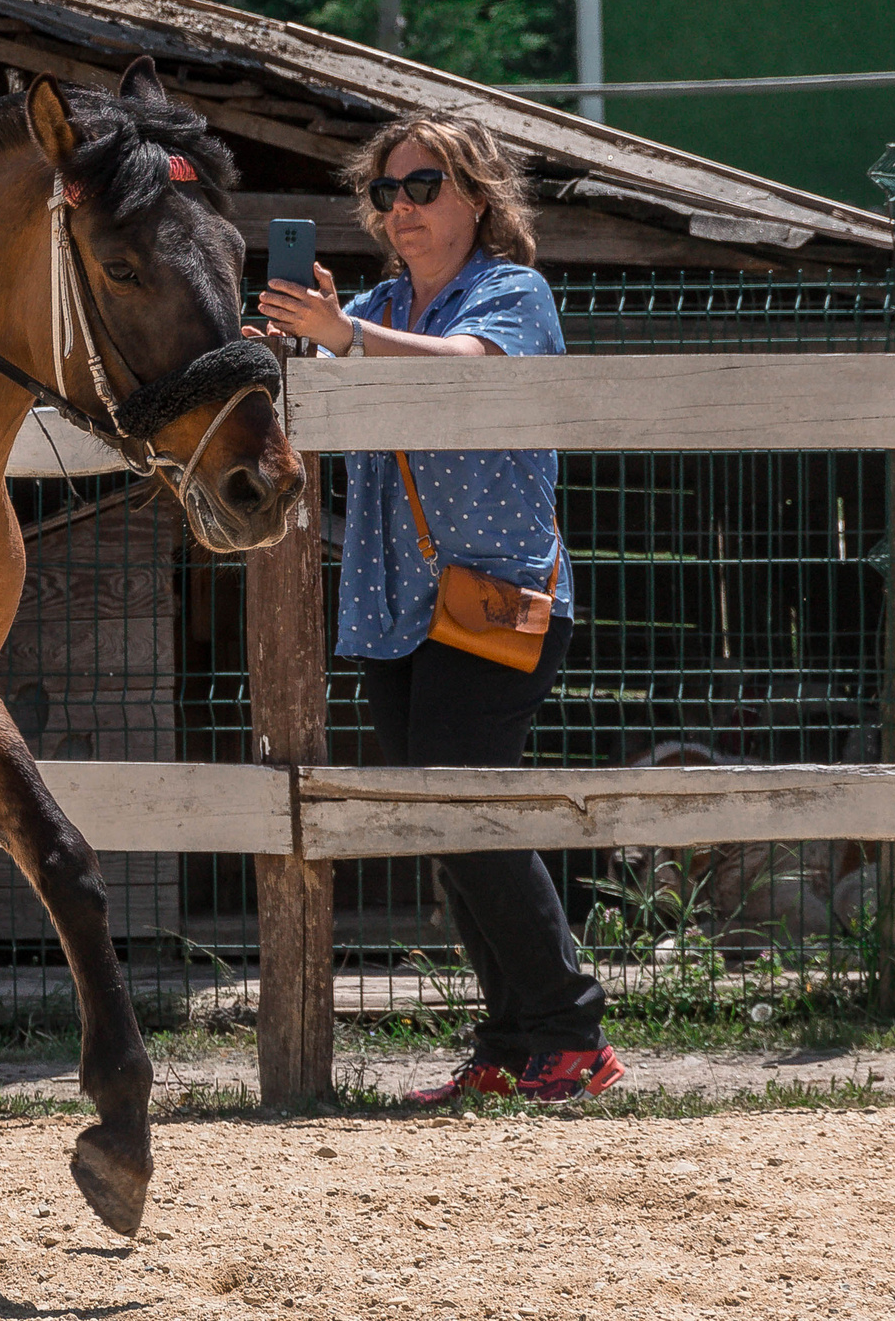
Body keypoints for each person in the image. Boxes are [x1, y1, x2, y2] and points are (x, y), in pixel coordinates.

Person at [253, 114, 622, 1106]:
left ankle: (568, 1028)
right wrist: (296, 346)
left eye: (422, 187)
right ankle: (513, 1041)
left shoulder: (511, 292)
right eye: (386, 193)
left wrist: (343, 338)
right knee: (445, 822)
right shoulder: (373, 304)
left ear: (477, 197)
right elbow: (326, 390)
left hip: (495, 598)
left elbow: (469, 367)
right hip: (391, 609)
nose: (400, 208)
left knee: (468, 810)